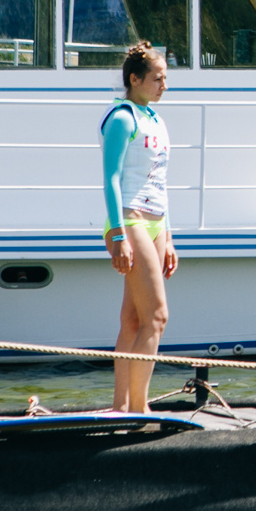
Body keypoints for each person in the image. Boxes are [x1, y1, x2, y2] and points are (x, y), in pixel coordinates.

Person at [102, 43, 176, 413]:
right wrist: (117, 233)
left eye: (165, 78)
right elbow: (111, 178)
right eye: (157, 78)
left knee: (133, 319)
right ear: (135, 80)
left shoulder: (156, 120)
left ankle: (121, 406)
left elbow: (159, 181)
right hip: (129, 220)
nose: (164, 85)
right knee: (157, 316)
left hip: (156, 222)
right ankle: (139, 409)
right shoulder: (122, 118)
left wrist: (170, 237)